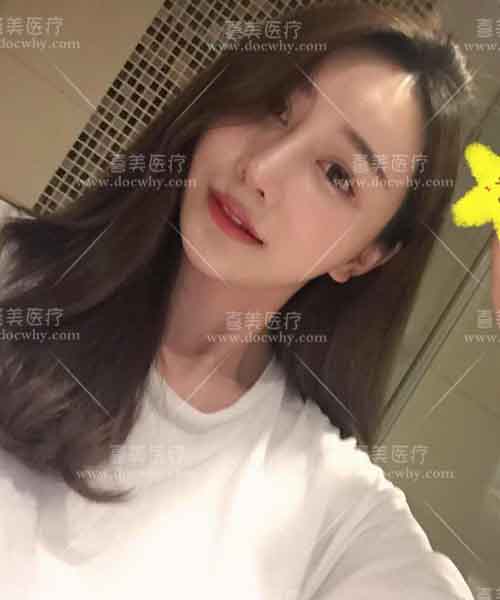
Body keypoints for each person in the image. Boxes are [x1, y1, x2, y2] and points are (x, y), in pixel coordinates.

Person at [0, 2, 480, 598]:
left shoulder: (332, 509)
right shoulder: (15, 277)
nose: (261, 169)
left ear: (363, 257)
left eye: (336, 174)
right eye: (276, 106)